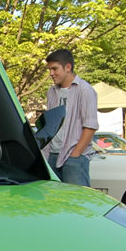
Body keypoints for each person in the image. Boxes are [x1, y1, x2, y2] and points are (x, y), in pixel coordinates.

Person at [41, 49, 98, 187]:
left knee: (77, 203)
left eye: (55, 69)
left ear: (68, 67)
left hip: (73, 156)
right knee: (54, 202)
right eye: (49, 69)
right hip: (52, 155)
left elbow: (90, 126)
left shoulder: (85, 90)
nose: (51, 74)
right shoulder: (51, 91)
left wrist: (75, 154)